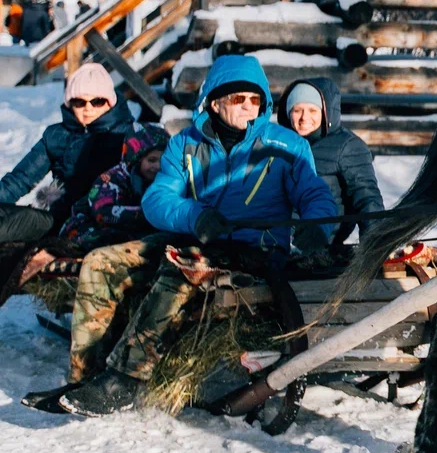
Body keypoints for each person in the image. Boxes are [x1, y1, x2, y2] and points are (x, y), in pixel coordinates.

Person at [55, 55, 339, 417]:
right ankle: (84, 379)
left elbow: (315, 195)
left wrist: (318, 226)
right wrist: (195, 215)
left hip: (254, 249)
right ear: (216, 102)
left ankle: (125, 379)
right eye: (239, 99)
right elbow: (157, 199)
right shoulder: (184, 144)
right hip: (196, 234)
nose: (250, 107)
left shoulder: (286, 146)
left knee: (180, 268)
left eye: (256, 100)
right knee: (100, 262)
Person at [0, 63, 134, 244]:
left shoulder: (127, 135)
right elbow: (20, 179)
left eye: (97, 101)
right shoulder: (56, 136)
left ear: (109, 103)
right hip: (57, 215)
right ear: (70, 104)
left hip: (101, 216)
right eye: (80, 102)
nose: (88, 108)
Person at [277, 78, 384, 249]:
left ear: (326, 112)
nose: (304, 117)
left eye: (313, 110)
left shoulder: (347, 146)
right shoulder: (279, 143)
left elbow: (366, 197)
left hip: (323, 244)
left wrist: (374, 246)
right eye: (297, 110)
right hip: (277, 241)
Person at [57, 124, 168, 251]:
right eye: (151, 160)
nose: (158, 166)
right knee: (110, 239)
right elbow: (103, 213)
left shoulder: (165, 180)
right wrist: (150, 213)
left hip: (130, 228)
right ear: (137, 159)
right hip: (87, 227)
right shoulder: (112, 179)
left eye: (163, 160)